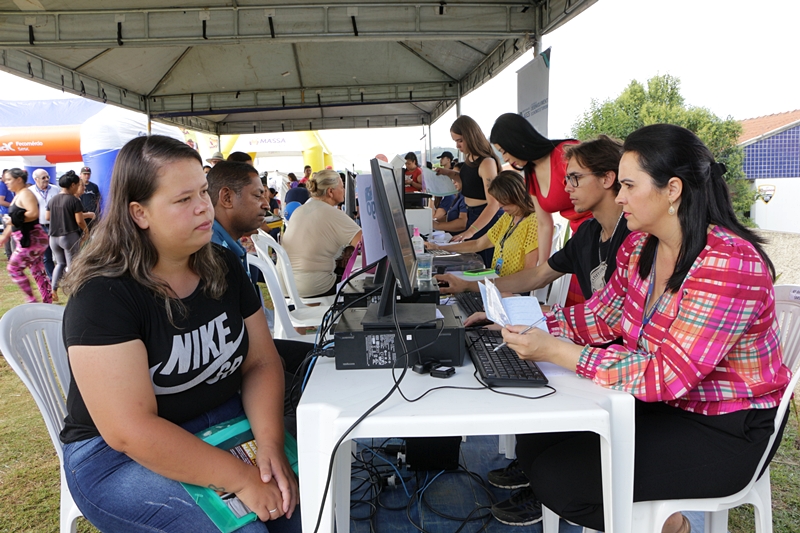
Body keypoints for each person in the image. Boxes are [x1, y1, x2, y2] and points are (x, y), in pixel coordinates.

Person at [491, 124, 792, 533]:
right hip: (667, 406)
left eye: (629, 185)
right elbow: (601, 317)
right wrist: (519, 322)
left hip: (728, 427)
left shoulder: (727, 262)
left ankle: (672, 527)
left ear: (672, 189)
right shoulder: (639, 247)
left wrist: (555, 350)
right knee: (535, 442)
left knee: (562, 479)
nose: (619, 197)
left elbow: (668, 375)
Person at [59, 135, 299, 533]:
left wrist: (270, 443)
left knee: (312, 507)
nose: (204, 207)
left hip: (222, 420)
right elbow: (130, 431)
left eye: (202, 191)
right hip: (117, 457)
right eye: (183, 199)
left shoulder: (222, 263)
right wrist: (241, 479)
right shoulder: (104, 295)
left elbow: (260, 361)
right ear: (139, 213)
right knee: (245, 530)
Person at [438, 136, 629, 306]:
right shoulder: (588, 233)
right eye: (567, 178)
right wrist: (468, 286)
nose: (567, 187)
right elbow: (539, 275)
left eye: (575, 178)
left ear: (607, 178)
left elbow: (609, 322)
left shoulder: (634, 239)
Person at [490, 113, 593, 266]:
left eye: (504, 151)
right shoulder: (531, 174)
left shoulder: (565, 153)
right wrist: (543, 268)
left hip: (604, 233)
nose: (504, 158)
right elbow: (544, 223)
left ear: (517, 141)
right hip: (581, 237)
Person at [426, 171, 538, 277]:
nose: (499, 206)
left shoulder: (534, 223)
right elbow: (478, 244)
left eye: (504, 201)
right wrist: (439, 247)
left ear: (516, 196)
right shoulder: (508, 218)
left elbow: (529, 273)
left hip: (513, 291)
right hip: (499, 283)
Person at [282, 170, 362, 298]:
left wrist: (346, 249)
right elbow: (366, 243)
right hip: (311, 286)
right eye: (342, 187)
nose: (344, 190)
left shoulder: (300, 210)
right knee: (364, 285)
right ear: (330, 192)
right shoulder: (333, 213)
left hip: (285, 285)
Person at [435, 115, 503, 267]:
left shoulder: (486, 162)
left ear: (471, 136)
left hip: (486, 218)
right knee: (474, 264)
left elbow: (493, 204)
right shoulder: (469, 160)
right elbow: (470, 181)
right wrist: (448, 173)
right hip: (473, 216)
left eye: (460, 140)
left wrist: (470, 231)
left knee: (484, 265)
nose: (458, 146)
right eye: (455, 141)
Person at [0, 168, 52, 303]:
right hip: (28, 239)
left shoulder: (25, 194)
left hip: (33, 240)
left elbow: (33, 213)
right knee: (37, 270)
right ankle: (47, 300)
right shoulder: (18, 195)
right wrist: (5, 236)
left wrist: (15, 220)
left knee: (13, 268)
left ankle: (31, 300)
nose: (6, 182)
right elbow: (12, 222)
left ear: (18, 179)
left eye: (9, 179)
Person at [46, 170, 88, 302]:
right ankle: (74, 291)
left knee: (59, 263)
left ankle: (53, 289)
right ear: (73, 185)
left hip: (53, 237)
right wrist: (86, 231)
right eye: (77, 184)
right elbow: (80, 221)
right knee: (72, 264)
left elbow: (47, 217)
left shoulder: (52, 199)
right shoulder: (74, 201)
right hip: (69, 236)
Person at [29, 168, 57, 278]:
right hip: (40, 226)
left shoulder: (55, 189)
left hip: (55, 225)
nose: (46, 179)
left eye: (47, 177)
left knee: (60, 253)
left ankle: (61, 275)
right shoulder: (30, 191)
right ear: (35, 179)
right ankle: (52, 277)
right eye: (43, 178)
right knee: (47, 255)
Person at [432, 168, 467, 235]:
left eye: (455, 178)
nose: (453, 182)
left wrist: (437, 225)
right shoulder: (459, 196)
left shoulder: (465, 197)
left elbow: (463, 223)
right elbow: (450, 217)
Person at [0, 169, 14, 259]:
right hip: (6, 213)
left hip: (10, 212)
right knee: (9, 236)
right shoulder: (2, 185)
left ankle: (11, 255)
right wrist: (14, 205)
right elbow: (1, 201)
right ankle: (10, 255)